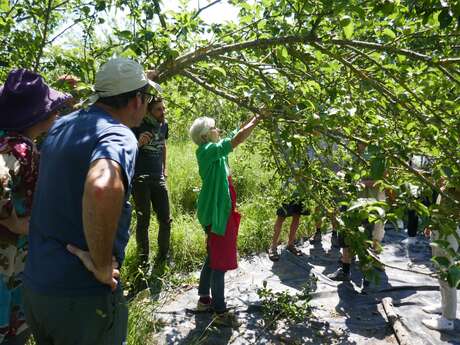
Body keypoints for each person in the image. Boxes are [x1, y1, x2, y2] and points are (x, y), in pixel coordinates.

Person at [22, 58, 159, 345]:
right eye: (147, 99)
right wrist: (100, 265)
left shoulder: (62, 126)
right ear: (137, 100)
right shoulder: (119, 135)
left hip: (38, 288)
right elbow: (102, 186)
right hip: (82, 299)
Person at [0, 69, 70, 344]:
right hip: (9, 258)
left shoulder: (7, 139)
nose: (56, 114)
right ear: (36, 116)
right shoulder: (18, 149)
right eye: (51, 109)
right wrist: (13, 221)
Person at [189, 113, 261, 327]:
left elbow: (233, 136)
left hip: (218, 212)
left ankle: (204, 299)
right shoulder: (208, 151)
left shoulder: (216, 150)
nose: (217, 129)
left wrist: (248, 122)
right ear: (205, 135)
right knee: (219, 263)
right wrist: (256, 121)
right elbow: (236, 140)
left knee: (213, 255)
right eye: (214, 127)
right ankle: (220, 312)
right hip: (216, 214)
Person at [132, 97, 171, 267]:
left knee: (165, 219)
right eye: (158, 109)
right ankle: (142, 260)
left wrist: (165, 168)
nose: (162, 112)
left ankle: (163, 257)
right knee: (143, 221)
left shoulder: (164, 125)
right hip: (140, 179)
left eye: (163, 109)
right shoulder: (137, 125)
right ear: (148, 111)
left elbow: (163, 145)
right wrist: (138, 143)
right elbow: (126, 149)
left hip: (158, 177)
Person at [268, 189, 308, 261]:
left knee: (297, 216)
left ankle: (291, 244)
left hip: (301, 189)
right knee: (281, 217)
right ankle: (273, 247)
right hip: (288, 188)